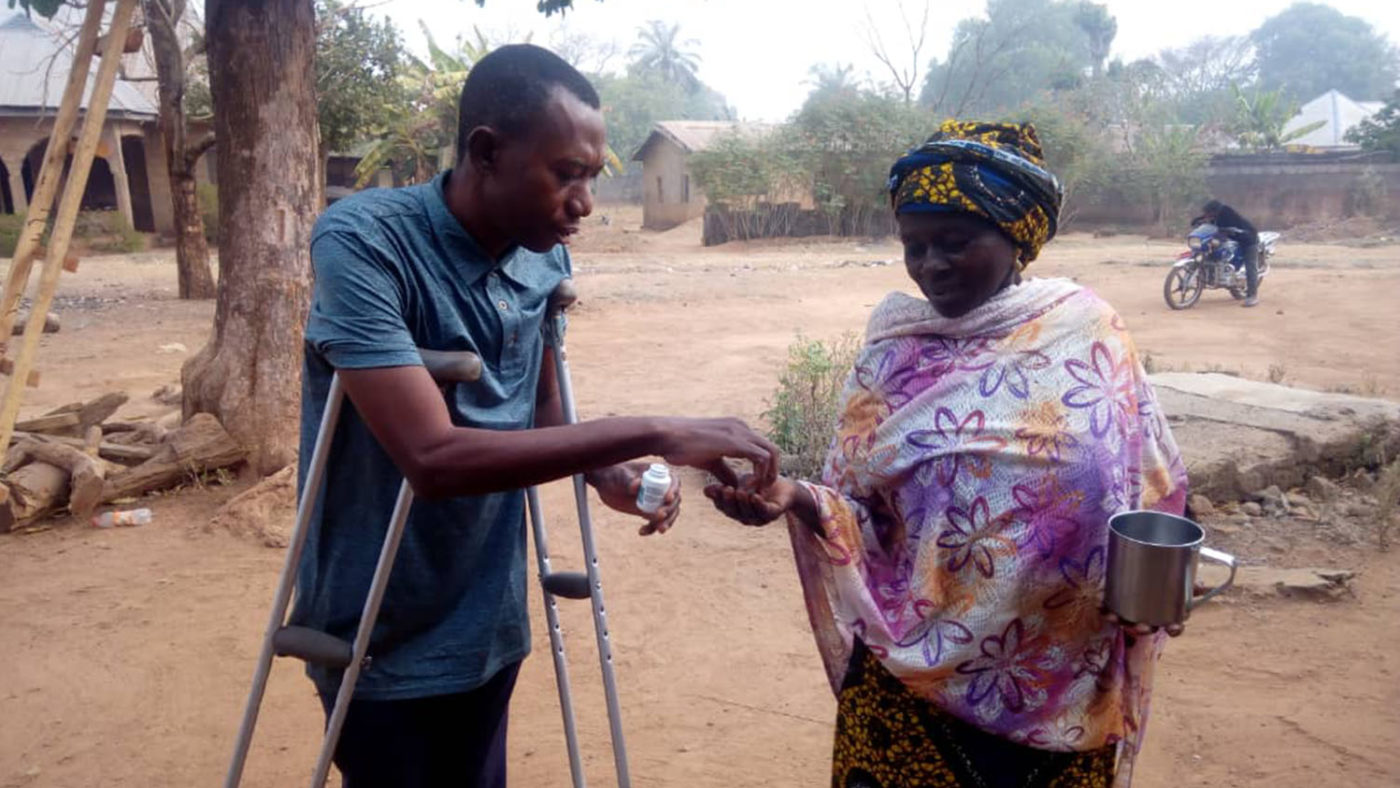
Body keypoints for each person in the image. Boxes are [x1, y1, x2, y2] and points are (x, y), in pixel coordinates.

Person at [291, 44, 777, 788]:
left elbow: (544, 411)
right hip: (379, 621)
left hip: (486, 615)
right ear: (487, 152)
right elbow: (432, 459)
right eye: (567, 173)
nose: (584, 201)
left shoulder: (542, 257)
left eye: (592, 175)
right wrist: (654, 430)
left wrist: (607, 471)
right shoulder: (364, 242)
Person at [705, 121, 1189, 788]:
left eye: (956, 243)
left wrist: (1158, 588)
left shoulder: (1089, 334)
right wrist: (794, 497)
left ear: (1017, 237)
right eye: (915, 245)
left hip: (1060, 692)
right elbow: (859, 506)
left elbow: (1148, 488)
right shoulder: (894, 352)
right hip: (911, 692)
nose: (931, 264)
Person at [1194, 199, 1260, 307]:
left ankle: (1252, 296)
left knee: (1250, 266)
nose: (1207, 215)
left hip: (1247, 238)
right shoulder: (1216, 214)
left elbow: (1223, 228)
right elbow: (1208, 221)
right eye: (1206, 213)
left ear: (1214, 211)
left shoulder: (1227, 213)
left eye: (1209, 213)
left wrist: (1220, 234)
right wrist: (1197, 221)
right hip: (1233, 238)